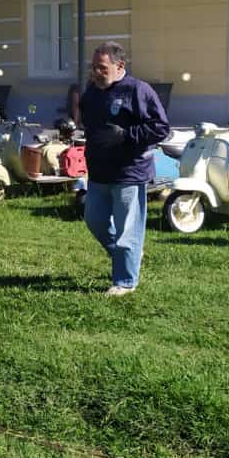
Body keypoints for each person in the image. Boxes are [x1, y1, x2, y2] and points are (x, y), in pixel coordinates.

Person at [80, 42, 170, 296]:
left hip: (129, 171)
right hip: (99, 171)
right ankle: (129, 255)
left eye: (102, 67)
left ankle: (125, 282)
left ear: (120, 66)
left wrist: (126, 135)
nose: (96, 72)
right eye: (93, 67)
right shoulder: (92, 92)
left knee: (127, 229)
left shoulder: (138, 90)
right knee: (94, 221)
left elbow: (161, 127)